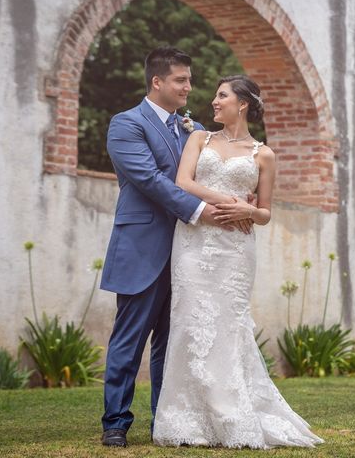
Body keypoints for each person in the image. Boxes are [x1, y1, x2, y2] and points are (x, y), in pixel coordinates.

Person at [152, 75, 323, 449]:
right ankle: (186, 422)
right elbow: (182, 183)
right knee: (189, 323)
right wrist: (231, 202)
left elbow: (264, 214)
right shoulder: (200, 139)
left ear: (242, 103)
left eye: (222, 96)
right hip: (194, 244)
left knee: (228, 326)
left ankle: (231, 415)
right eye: (215, 96)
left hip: (236, 250)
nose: (214, 102)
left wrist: (249, 209)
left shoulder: (264, 154)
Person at [99, 47, 251, 448]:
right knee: (128, 341)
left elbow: (217, 169)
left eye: (189, 79)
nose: (189, 86)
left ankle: (166, 422)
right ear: (158, 82)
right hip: (143, 247)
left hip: (193, 254)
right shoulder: (125, 124)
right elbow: (149, 179)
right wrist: (203, 210)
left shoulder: (195, 127)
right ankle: (115, 422)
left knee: (176, 342)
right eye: (181, 80)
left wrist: (240, 202)